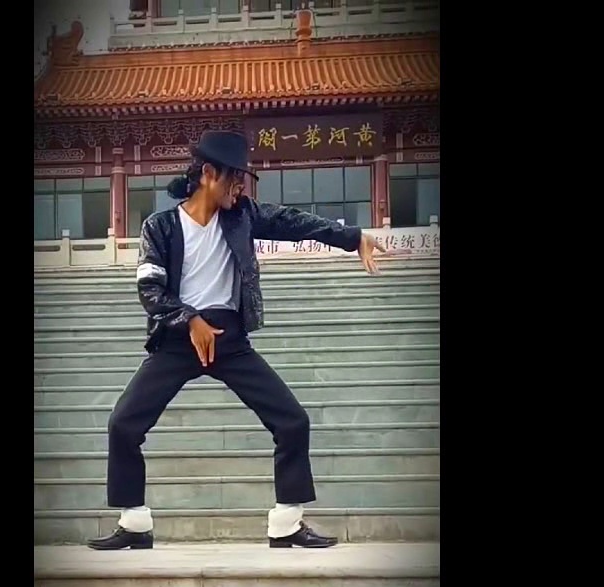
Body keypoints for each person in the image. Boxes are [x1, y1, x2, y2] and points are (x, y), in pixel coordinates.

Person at [86, 130, 386, 551]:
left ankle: (286, 524)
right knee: (123, 424)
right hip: (177, 341)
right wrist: (189, 320)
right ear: (209, 174)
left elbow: (292, 222)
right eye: (235, 178)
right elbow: (149, 289)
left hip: (230, 341)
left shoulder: (241, 215)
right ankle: (134, 524)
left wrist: (353, 238)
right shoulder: (161, 226)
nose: (240, 187)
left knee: (292, 421)